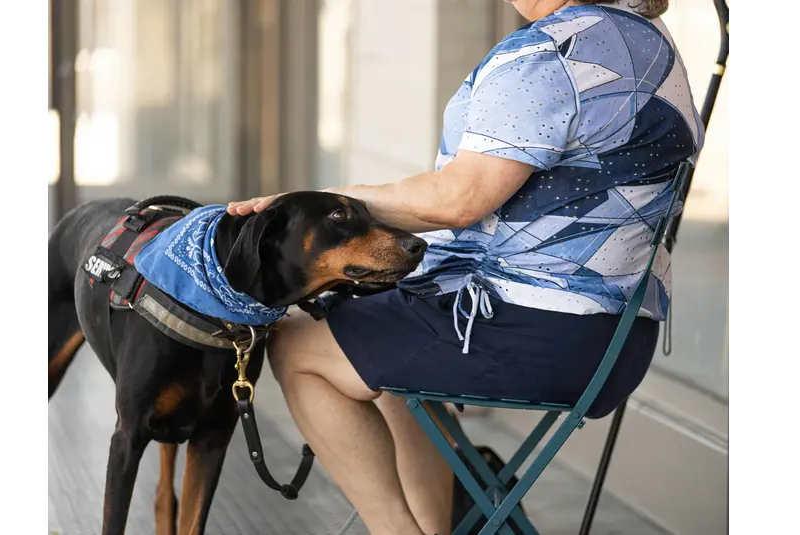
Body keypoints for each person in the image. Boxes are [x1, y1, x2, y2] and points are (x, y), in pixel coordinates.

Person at [227, 1, 703, 534]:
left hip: (530, 329)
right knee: (371, 347)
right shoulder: (648, 42)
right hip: (614, 342)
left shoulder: (547, 53)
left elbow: (459, 198)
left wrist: (315, 200)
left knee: (295, 346)